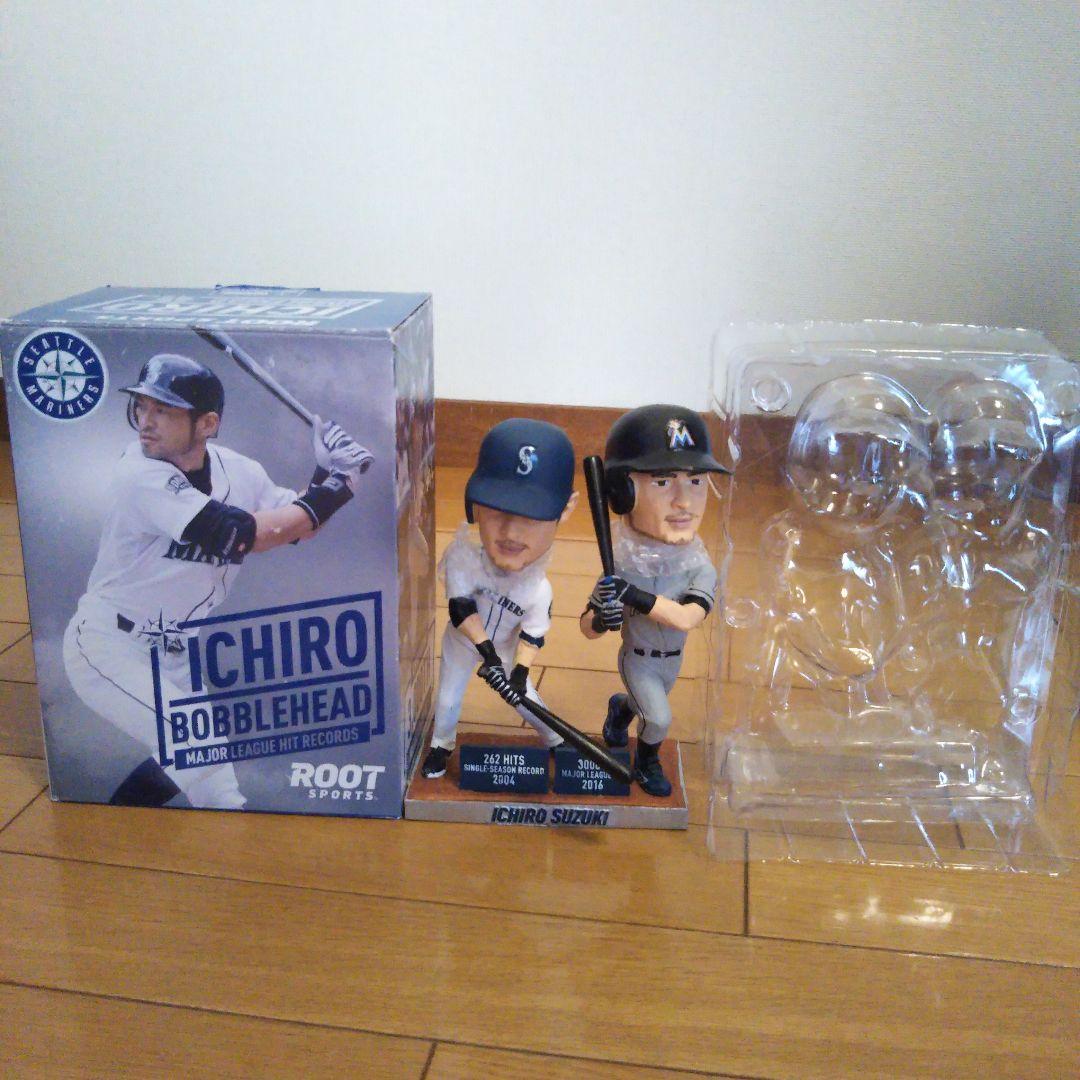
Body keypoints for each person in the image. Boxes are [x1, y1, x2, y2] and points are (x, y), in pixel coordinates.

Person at [62, 351, 370, 809]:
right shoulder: (138, 472)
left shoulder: (241, 471)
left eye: (163, 410)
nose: (146, 421)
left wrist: (326, 472)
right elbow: (243, 536)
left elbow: (297, 527)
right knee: (194, 746)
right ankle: (214, 841)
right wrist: (340, 485)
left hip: (175, 650)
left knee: (213, 782)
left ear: (207, 423)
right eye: (142, 406)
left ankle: (115, 829)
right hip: (110, 642)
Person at [581, 405, 728, 796]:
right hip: (639, 658)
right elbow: (588, 628)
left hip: (673, 661)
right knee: (658, 718)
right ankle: (646, 764)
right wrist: (604, 618)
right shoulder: (622, 566)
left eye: (695, 482)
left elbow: (686, 618)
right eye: (663, 482)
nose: (684, 501)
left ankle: (621, 709)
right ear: (622, 493)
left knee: (645, 704)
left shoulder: (700, 567)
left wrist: (632, 595)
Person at [421, 418, 578, 779]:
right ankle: (441, 745)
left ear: (565, 510)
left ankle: (556, 740)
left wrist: (518, 674)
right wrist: (486, 653)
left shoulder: (538, 589)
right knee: (447, 699)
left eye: (530, 517)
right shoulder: (463, 558)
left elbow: (532, 636)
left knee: (526, 700)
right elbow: (461, 610)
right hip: (463, 642)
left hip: (506, 648)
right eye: (497, 510)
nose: (510, 532)